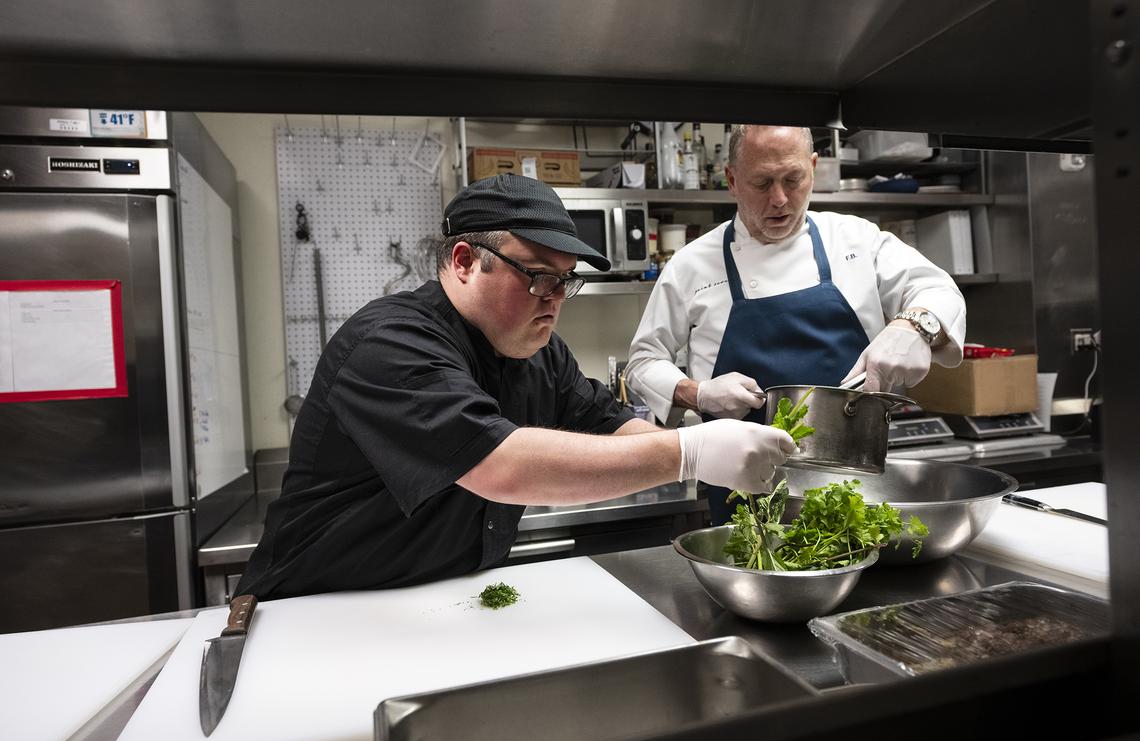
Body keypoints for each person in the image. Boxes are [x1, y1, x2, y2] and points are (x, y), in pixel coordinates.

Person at [236, 174, 796, 600]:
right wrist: (689, 452)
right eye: (536, 275)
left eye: (566, 279)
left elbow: (607, 420)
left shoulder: (537, 349)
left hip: (443, 601)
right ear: (463, 261)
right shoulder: (390, 345)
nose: (554, 296)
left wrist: (696, 431)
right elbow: (499, 464)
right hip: (316, 611)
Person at [625, 125, 966, 525]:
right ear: (732, 180)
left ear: (814, 168)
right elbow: (643, 362)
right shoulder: (691, 265)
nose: (780, 199)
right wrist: (697, 393)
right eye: (762, 182)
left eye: (793, 179)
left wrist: (914, 326)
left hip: (856, 491)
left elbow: (937, 290)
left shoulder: (856, 241)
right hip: (744, 505)